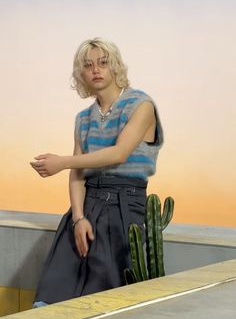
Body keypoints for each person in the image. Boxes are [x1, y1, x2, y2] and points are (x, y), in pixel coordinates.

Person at [30, 37, 164, 306]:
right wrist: (78, 219)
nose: (96, 70)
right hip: (87, 206)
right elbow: (79, 174)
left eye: (103, 63)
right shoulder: (83, 118)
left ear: (115, 67)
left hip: (126, 206)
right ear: (81, 73)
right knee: (55, 293)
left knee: (106, 299)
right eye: (88, 65)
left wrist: (62, 161)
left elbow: (118, 153)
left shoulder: (141, 105)